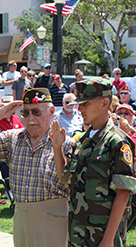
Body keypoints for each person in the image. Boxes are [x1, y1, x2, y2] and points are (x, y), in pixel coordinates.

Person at [0, 88, 74, 247]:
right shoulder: (12, 138)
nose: (30, 118)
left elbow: (72, 184)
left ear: (51, 111)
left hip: (54, 219)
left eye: (36, 112)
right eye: (25, 113)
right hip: (21, 218)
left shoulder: (66, 143)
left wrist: (58, 148)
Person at [52, 78, 136, 246]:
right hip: (78, 234)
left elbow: (123, 193)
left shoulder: (117, 141)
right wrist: (57, 147)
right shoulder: (82, 140)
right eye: (79, 103)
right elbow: (64, 177)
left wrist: (108, 239)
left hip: (104, 236)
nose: (80, 108)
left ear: (105, 102)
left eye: (86, 103)